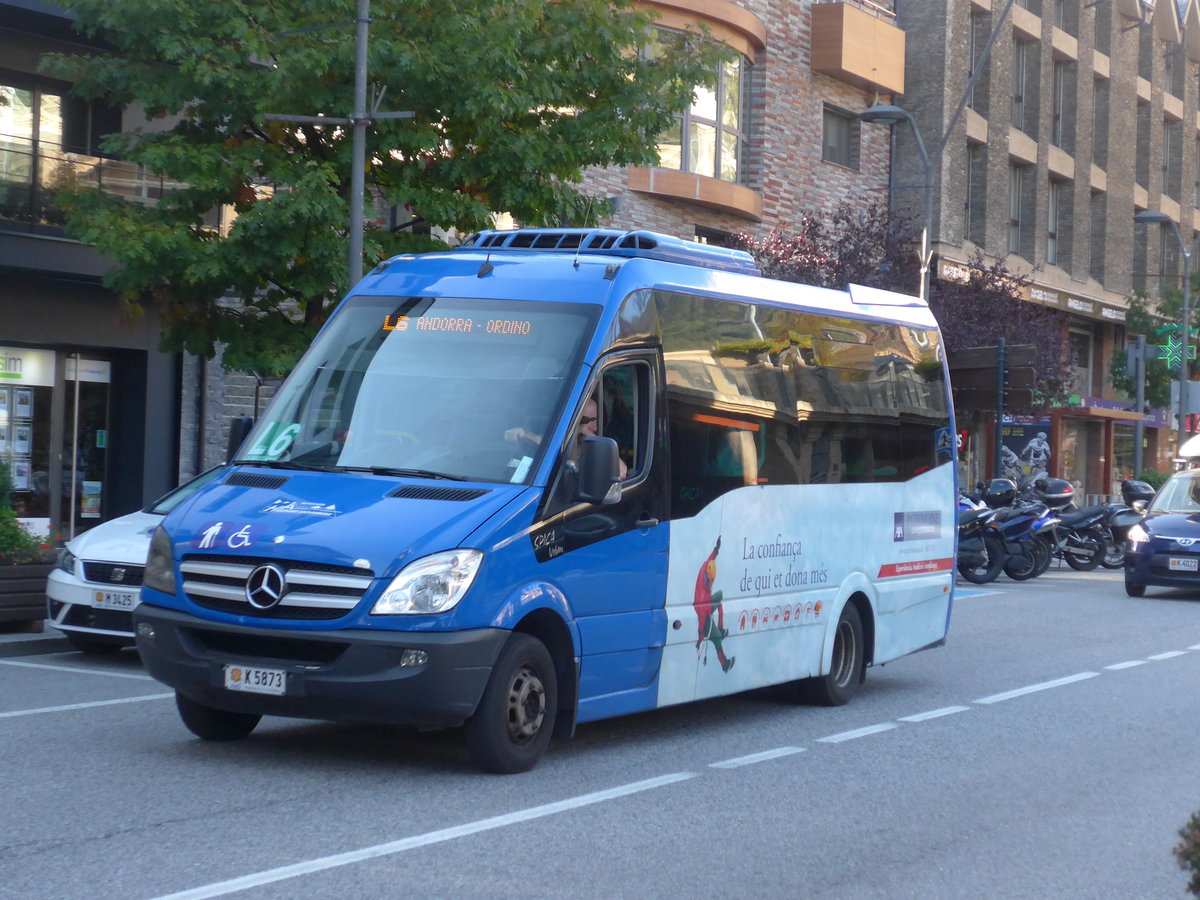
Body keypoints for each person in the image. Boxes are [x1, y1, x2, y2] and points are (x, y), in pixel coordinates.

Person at [693, 536, 734, 674]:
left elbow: (710, 559)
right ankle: (724, 664)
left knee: (719, 596)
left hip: (708, 605)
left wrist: (716, 549)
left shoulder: (705, 568)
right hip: (705, 619)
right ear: (707, 578)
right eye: (710, 581)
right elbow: (701, 624)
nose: (711, 583)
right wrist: (699, 640)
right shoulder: (701, 600)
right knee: (716, 639)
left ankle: (721, 628)